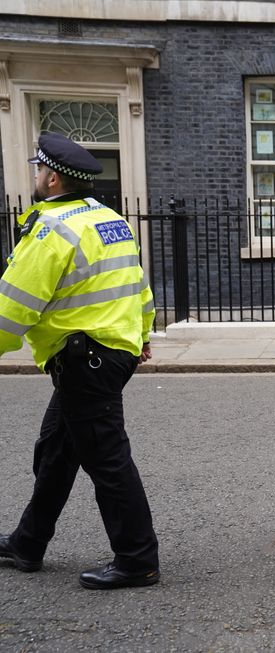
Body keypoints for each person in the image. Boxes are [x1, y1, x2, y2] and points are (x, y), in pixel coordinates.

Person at [0, 132, 159, 589]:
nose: (35, 176)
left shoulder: (50, 231)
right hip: (112, 351)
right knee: (57, 448)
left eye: (38, 170)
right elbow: (138, 286)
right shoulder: (110, 220)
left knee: (106, 459)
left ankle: (137, 559)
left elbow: (13, 307)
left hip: (85, 359)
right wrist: (143, 334)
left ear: (51, 179)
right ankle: (28, 542)